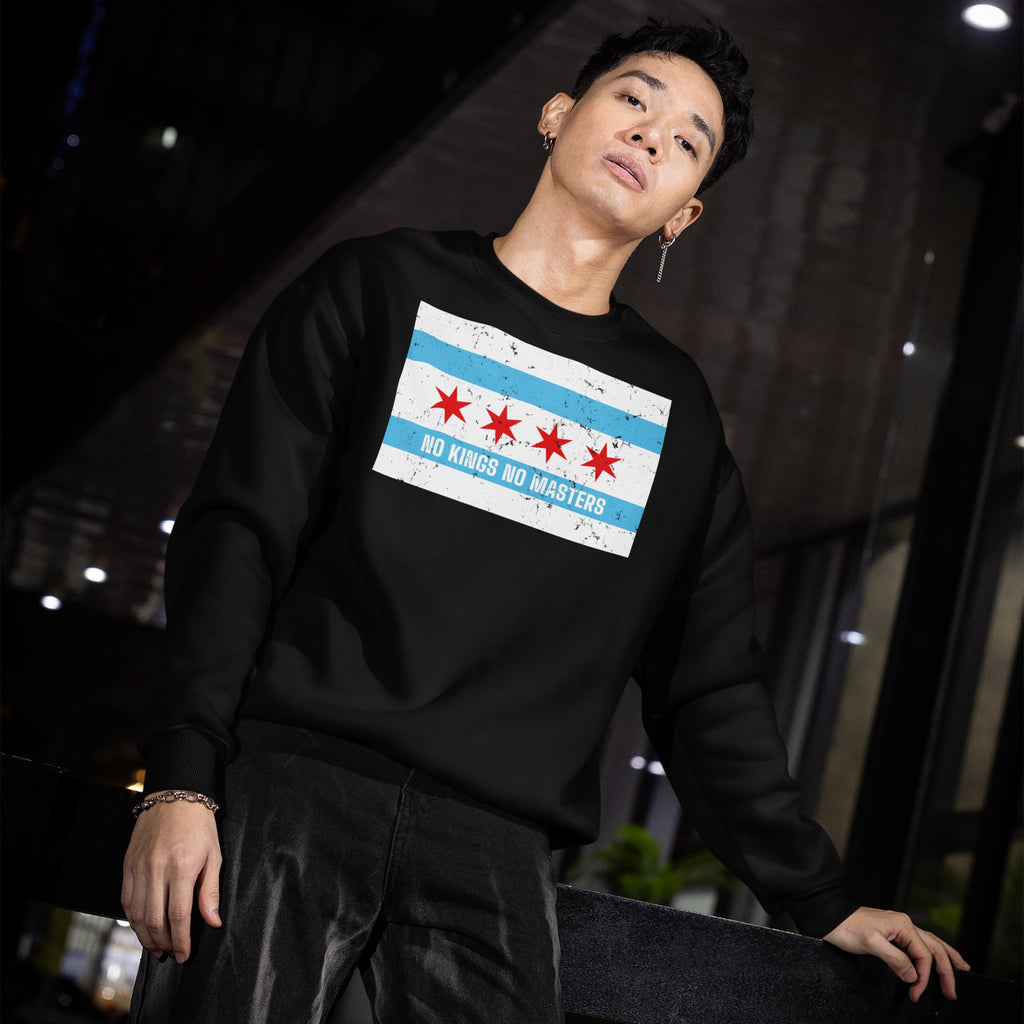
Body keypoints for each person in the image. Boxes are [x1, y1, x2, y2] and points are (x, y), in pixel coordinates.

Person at [122, 18, 969, 1023]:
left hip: (492, 852)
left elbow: (708, 687)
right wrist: (180, 782)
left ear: (681, 217)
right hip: (290, 799)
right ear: (558, 113)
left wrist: (817, 895)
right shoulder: (379, 289)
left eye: (687, 141)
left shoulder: (677, 420)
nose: (653, 135)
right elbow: (239, 536)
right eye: (634, 99)